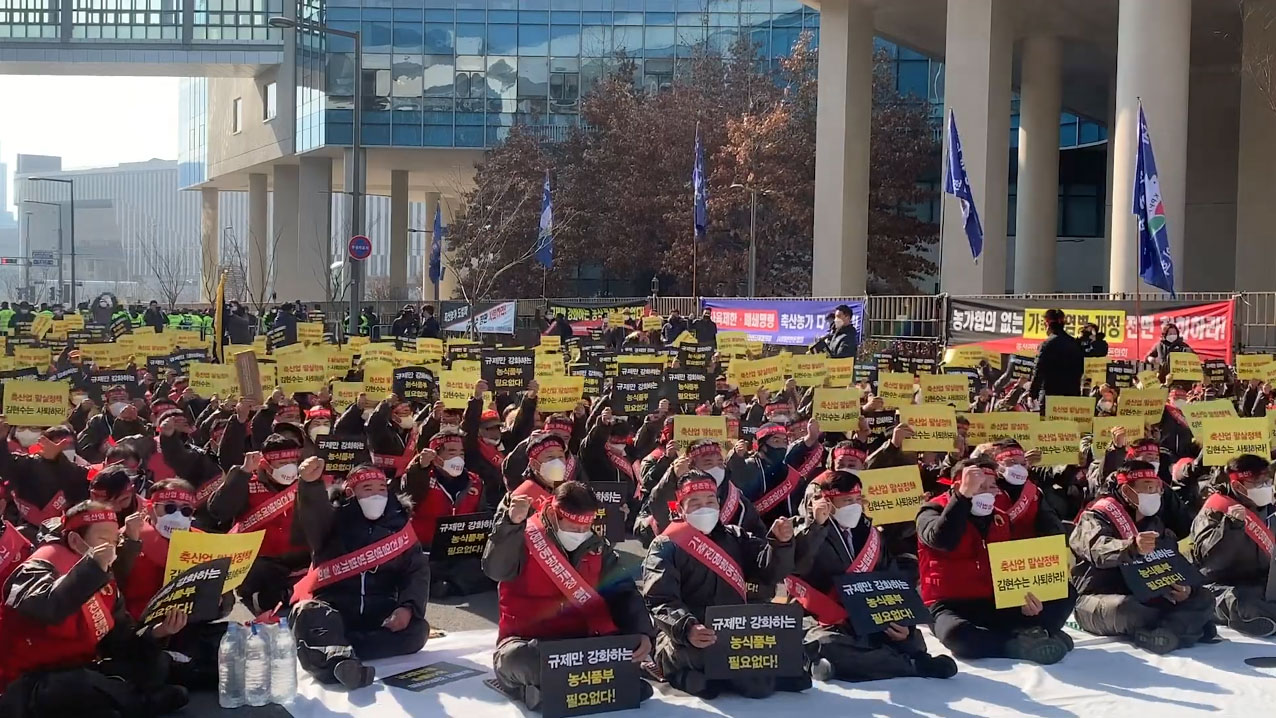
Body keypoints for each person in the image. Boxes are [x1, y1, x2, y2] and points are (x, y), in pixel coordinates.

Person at [0, 501, 189, 718]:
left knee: (153, 662)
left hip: (81, 666)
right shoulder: (36, 567)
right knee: (75, 684)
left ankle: (120, 701)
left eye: (114, 541)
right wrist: (92, 567)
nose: (111, 547)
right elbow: (46, 606)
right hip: (29, 685)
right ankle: (138, 702)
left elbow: (119, 640)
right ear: (75, 540)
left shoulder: (104, 579)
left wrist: (159, 631)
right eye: (102, 540)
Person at [483, 481, 655, 711]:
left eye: (586, 527)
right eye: (574, 527)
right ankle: (595, 684)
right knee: (519, 659)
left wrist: (642, 631)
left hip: (581, 644)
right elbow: (495, 570)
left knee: (631, 644)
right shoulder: (523, 535)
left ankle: (558, 690)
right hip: (529, 642)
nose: (580, 533)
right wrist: (509, 525)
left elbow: (623, 591)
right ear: (554, 515)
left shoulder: (596, 545)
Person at [640, 472, 807, 699]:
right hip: (689, 634)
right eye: (695, 503)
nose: (704, 507)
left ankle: (720, 675)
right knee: (709, 658)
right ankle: (676, 668)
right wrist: (688, 628)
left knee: (764, 680)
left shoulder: (735, 536)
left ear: (718, 504)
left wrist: (781, 544)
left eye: (710, 501)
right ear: (680, 509)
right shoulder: (665, 545)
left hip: (734, 630)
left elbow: (769, 572)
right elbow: (660, 600)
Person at [790, 470, 957, 683]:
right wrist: (816, 526)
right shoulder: (803, 528)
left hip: (870, 611)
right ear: (827, 502)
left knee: (910, 636)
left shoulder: (869, 532)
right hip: (825, 617)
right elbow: (797, 564)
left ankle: (891, 657)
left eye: (857, 500)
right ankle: (910, 665)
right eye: (846, 500)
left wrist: (903, 623)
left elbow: (890, 577)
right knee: (826, 645)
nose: (854, 506)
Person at [917, 458, 1076, 664]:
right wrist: (962, 499)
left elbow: (1011, 563)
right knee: (957, 635)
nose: (988, 491)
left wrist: (1026, 599)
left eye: (991, 486)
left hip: (993, 600)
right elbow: (941, 540)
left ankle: (1036, 630)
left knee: (1063, 591)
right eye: (978, 486)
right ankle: (1019, 643)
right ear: (959, 486)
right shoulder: (931, 511)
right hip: (949, 602)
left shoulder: (1000, 518)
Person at [290, 464, 430, 689]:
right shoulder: (331, 522)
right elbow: (313, 514)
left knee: (418, 630)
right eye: (367, 488)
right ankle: (339, 664)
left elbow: (416, 571)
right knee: (307, 614)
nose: (376, 495)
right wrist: (310, 484)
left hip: (379, 614)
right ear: (350, 493)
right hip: (336, 611)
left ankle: (338, 651)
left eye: (382, 489)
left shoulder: (399, 526)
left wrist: (407, 607)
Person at [1070, 460, 1215, 653]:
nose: (1154, 493)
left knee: (1203, 596)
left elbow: (1169, 561)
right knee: (1126, 608)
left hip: (1147, 593)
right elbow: (1097, 549)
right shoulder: (1095, 516)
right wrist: (1130, 547)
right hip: (1100, 596)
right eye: (1147, 487)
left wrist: (1184, 588)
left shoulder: (1154, 523)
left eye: (1156, 488)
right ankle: (1185, 628)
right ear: (1127, 490)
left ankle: (1167, 631)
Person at [205, 435, 313, 614]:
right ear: (265, 464)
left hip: (298, 562)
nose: (289, 467)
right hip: (258, 565)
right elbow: (218, 510)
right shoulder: (247, 483)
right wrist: (243, 473)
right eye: (281, 463)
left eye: (292, 461)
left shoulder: (305, 484)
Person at [1190, 453, 1276, 637]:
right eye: (1259, 484)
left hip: (1262, 581)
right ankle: (1246, 619)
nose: (1266, 488)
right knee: (1245, 604)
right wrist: (1231, 527)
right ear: (1238, 485)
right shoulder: (1215, 509)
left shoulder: (1269, 509)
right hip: (1222, 584)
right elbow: (1209, 560)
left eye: (1268, 482)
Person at [399, 430, 491, 598]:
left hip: (459, 548)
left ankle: (451, 586)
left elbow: (482, 515)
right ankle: (439, 584)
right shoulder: (422, 477)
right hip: (427, 548)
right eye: (451, 452)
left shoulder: (475, 482)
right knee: (415, 567)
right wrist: (420, 468)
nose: (458, 457)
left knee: (485, 566)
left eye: (461, 453)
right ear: (436, 456)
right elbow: (410, 492)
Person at [1029, 308, 1084, 399]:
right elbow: (1080, 369)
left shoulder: (1046, 344)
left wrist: (1032, 393)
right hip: (1072, 393)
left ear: (1047, 323)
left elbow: (1039, 369)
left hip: (1050, 393)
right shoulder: (1074, 343)